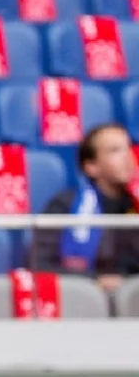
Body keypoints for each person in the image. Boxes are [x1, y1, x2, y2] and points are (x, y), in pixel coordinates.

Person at [31, 123, 139, 294]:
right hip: (80, 298)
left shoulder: (135, 205)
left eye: (129, 148)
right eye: (115, 151)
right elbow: (42, 265)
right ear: (91, 167)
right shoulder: (65, 206)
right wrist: (95, 280)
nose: (128, 157)